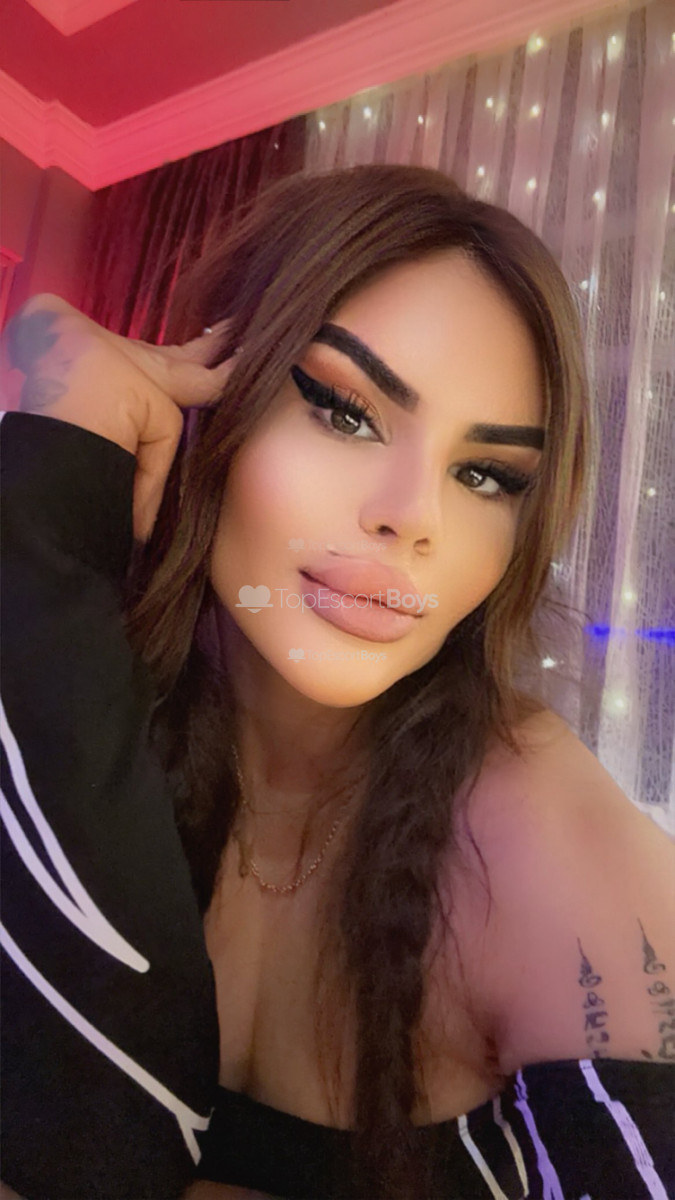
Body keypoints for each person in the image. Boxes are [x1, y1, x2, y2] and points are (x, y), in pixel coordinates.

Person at [1, 164, 673, 1200]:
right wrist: (55, 475)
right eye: (345, 412)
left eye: (485, 475)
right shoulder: (80, 689)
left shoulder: (538, 832)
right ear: (202, 401)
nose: (414, 516)